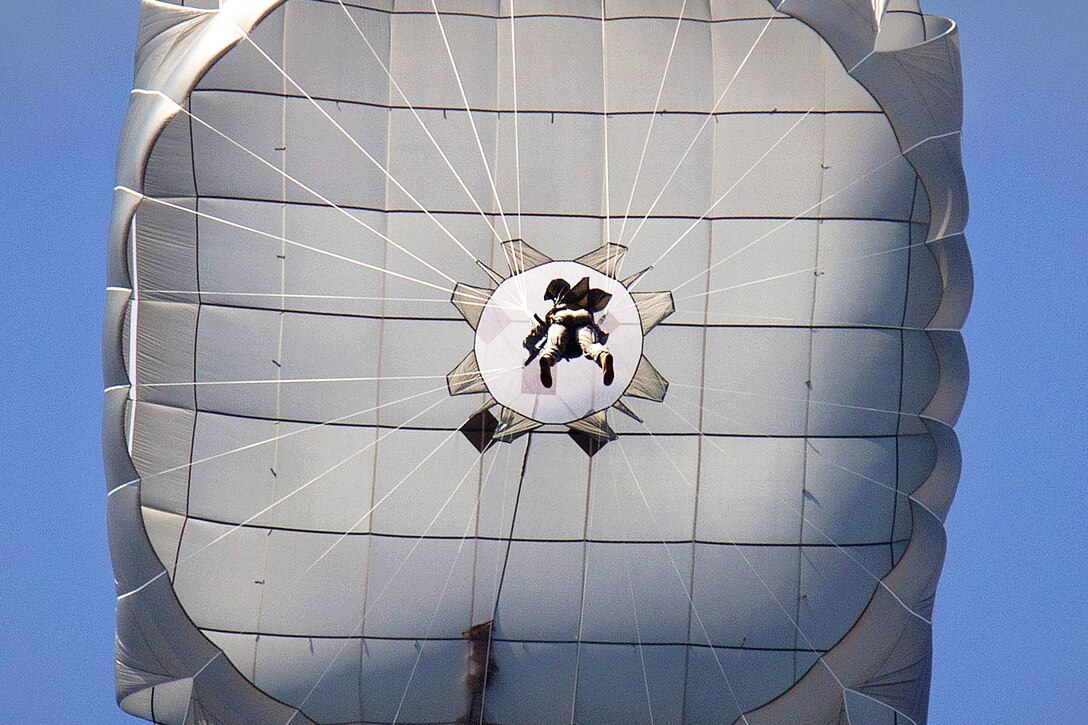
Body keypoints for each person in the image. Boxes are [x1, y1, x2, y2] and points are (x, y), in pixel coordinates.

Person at [523, 276, 615, 388]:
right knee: (591, 346)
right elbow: (600, 336)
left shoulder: (556, 308)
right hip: (583, 317)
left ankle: (547, 358)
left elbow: (539, 330)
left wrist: (529, 344)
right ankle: (603, 355)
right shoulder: (580, 304)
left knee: (553, 348)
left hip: (561, 317)